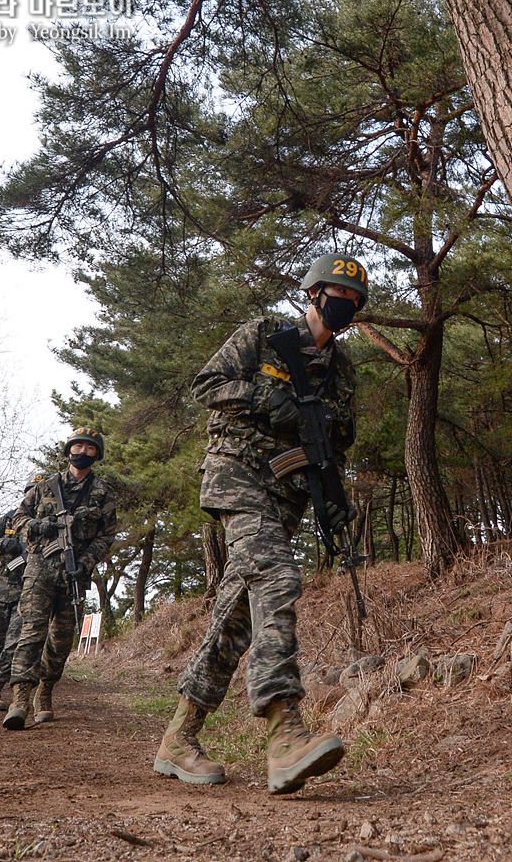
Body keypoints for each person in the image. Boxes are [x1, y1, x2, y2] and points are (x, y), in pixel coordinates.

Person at [154, 252, 368, 795]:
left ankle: (178, 738)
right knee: (277, 579)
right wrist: (264, 397)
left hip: (287, 495)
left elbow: (335, 442)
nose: (345, 305)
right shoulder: (265, 334)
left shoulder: (342, 370)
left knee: (234, 621)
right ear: (314, 293)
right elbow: (206, 384)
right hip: (237, 477)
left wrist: (335, 498)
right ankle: (283, 732)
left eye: (354, 300)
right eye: (337, 295)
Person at [2, 426, 117, 730]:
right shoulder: (45, 487)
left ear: (97, 454)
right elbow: (19, 521)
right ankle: (20, 700)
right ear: (69, 451)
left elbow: (107, 536)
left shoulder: (103, 492)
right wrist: (44, 526)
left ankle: (46, 691)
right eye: (77, 447)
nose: (82, 452)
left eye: (90, 448)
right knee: (31, 633)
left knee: (61, 640)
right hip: (39, 569)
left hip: (74, 574)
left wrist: (87, 561)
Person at [0, 479, 42, 711]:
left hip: (28, 592)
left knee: (14, 643)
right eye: (31, 492)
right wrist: (6, 544)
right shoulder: (9, 519)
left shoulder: (48, 525)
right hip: (2, 588)